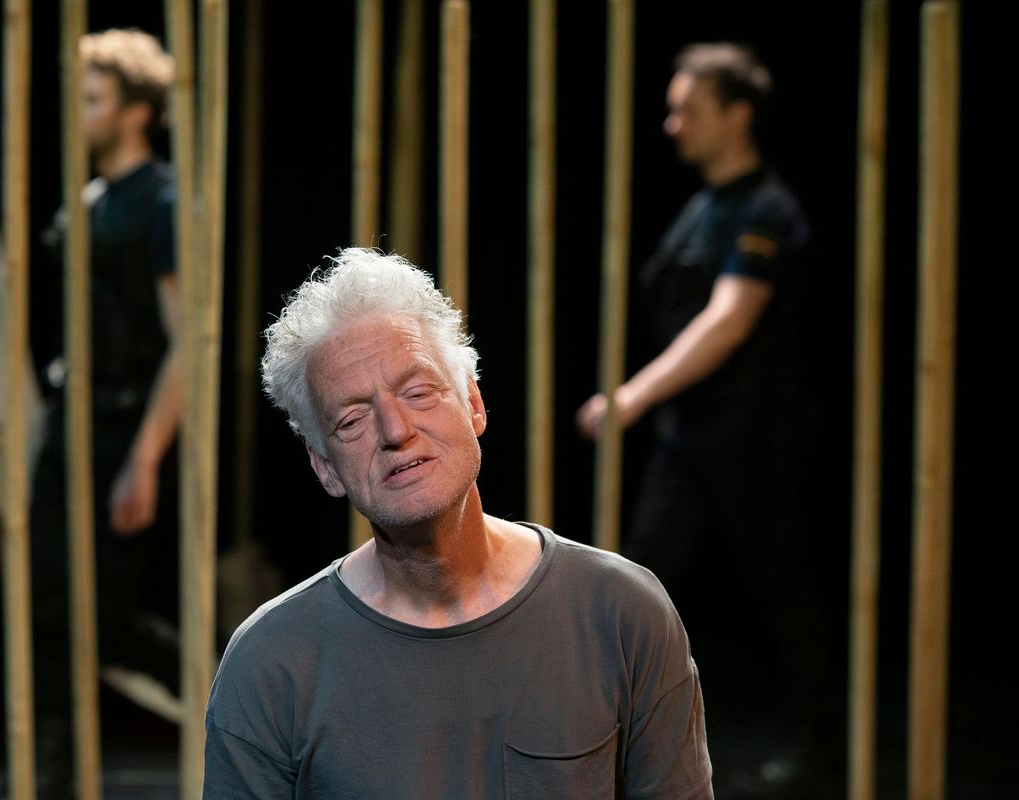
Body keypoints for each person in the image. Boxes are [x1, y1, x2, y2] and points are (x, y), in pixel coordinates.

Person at [203, 248, 713, 799]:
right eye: (351, 419)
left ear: (473, 403)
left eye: (418, 392)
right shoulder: (271, 662)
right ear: (324, 466)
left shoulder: (619, 612)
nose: (395, 430)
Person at [575, 43, 833, 790]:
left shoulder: (766, 209)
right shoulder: (705, 205)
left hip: (756, 435)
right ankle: (595, 734)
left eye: (688, 109)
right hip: (693, 435)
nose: (672, 123)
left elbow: (728, 320)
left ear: (737, 115)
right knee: (636, 575)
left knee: (782, 585)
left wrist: (633, 395)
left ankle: (821, 742)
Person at [28, 28, 180, 798]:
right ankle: (51, 779)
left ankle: (237, 687)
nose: (79, 113)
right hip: (70, 426)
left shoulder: (162, 202)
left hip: (125, 427)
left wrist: (144, 458)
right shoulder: (84, 202)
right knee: (47, 607)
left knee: (106, 616)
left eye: (93, 99)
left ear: (135, 112)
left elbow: (186, 347)